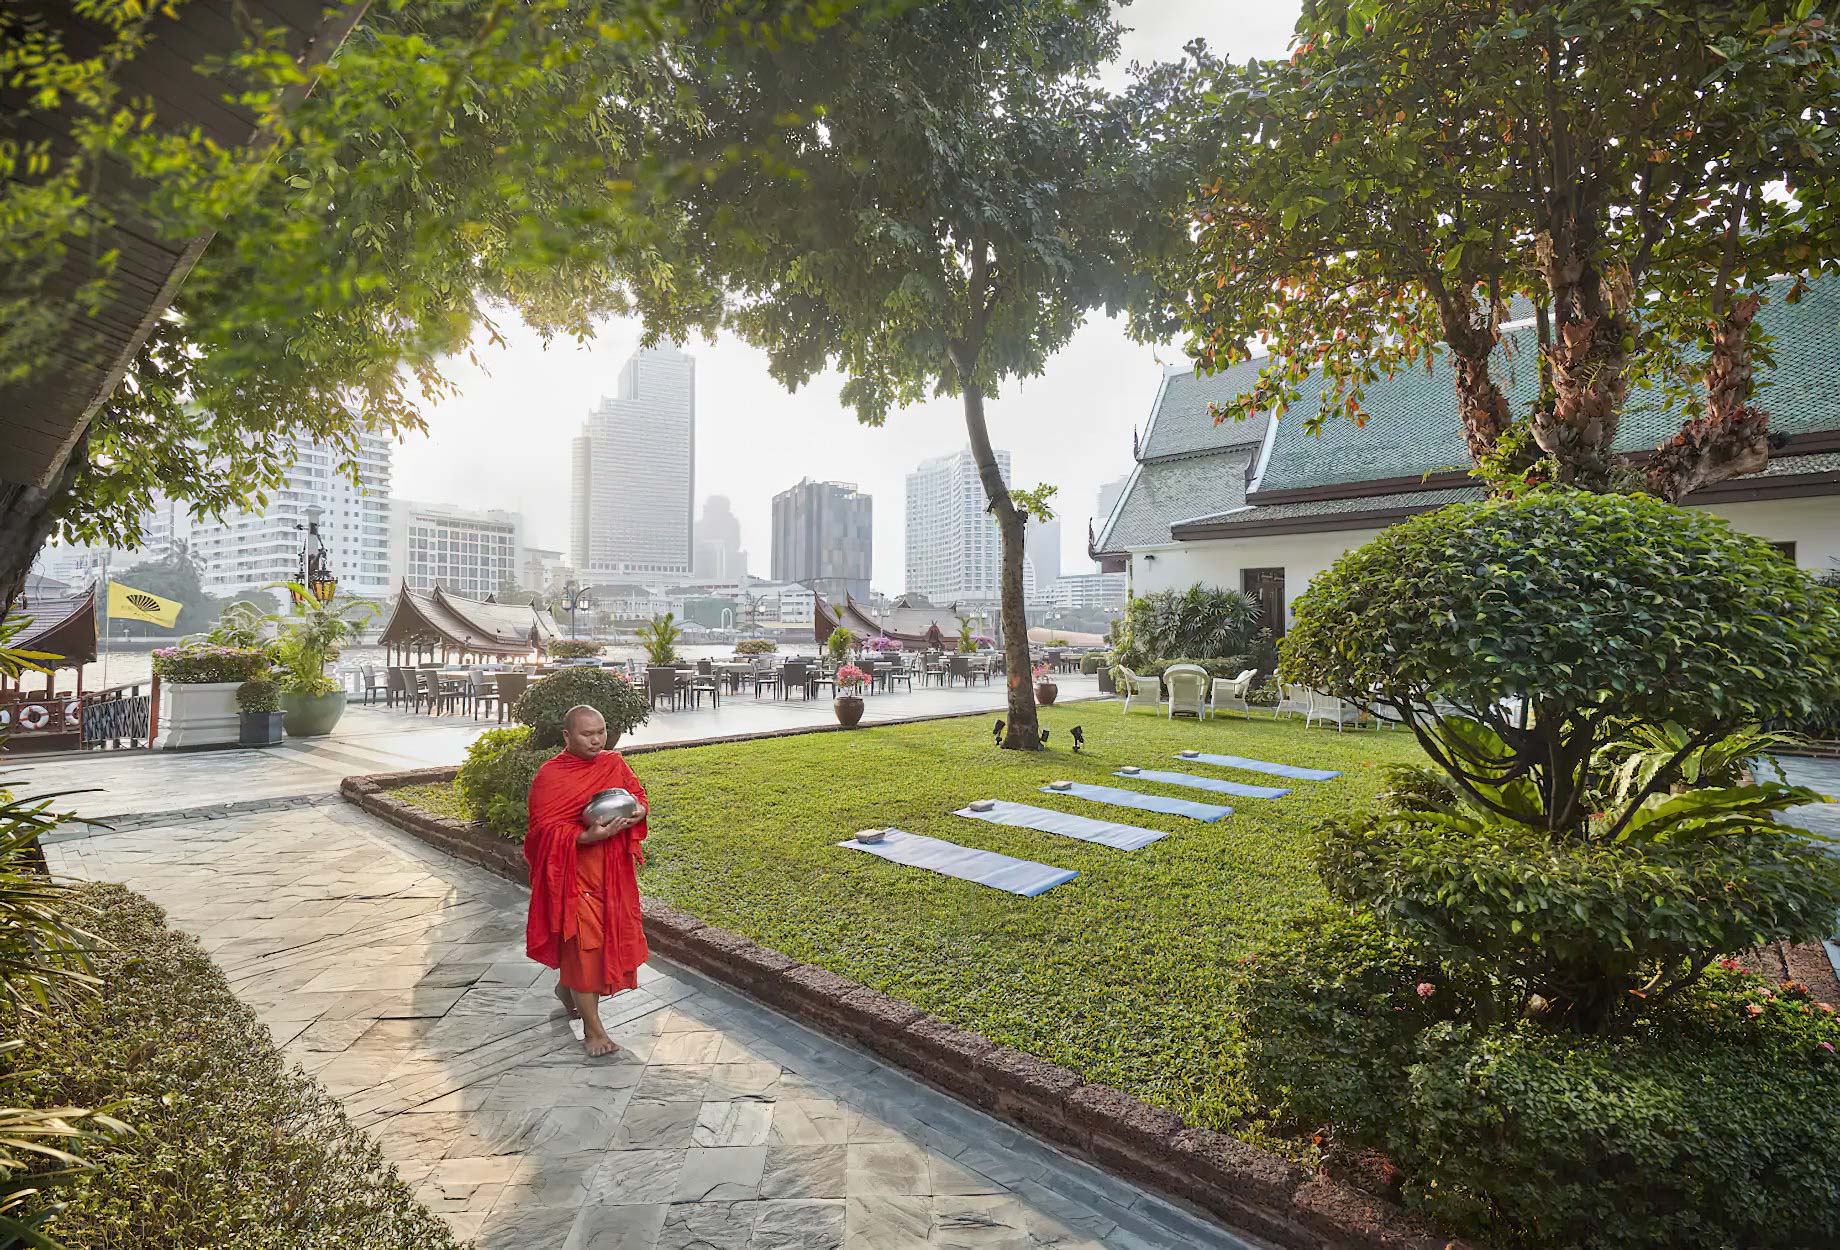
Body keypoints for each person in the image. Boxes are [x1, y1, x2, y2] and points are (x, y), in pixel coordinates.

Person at [524, 704, 649, 1056]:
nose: (596, 740)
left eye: (601, 732)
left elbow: (636, 795)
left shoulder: (613, 763)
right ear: (567, 736)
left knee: (604, 942)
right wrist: (584, 838)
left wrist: (639, 810)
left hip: (612, 873)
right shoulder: (551, 775)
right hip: (572, 876)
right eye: (587, 734)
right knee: (583, 948)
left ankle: (567, 991)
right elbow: (542, 831)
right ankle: (594, 1032)